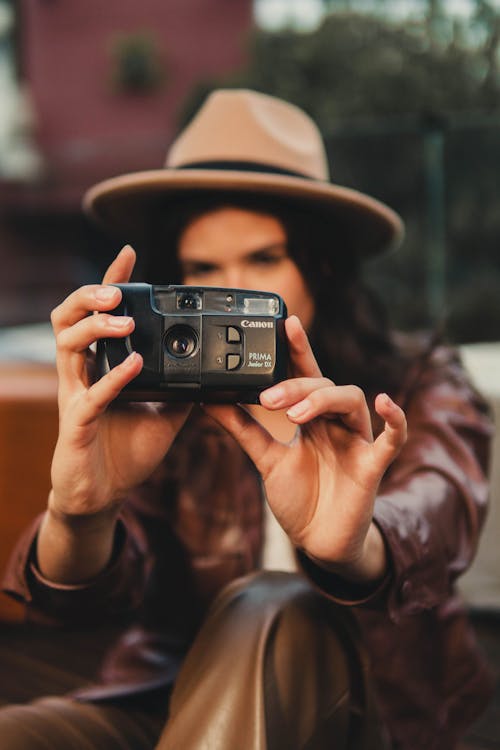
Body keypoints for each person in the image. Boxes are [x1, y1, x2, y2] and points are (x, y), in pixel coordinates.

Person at [0, 89, 493, 750]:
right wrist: (80, 512)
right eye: (204, 269)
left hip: (371, 713)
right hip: (166, 702)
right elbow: (81, 602)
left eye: (262, 260)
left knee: (268, 604)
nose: (230, 294)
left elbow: (443, 507)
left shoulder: (421, 378)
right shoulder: (158, 405)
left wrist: (356, 543)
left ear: (321, 263)